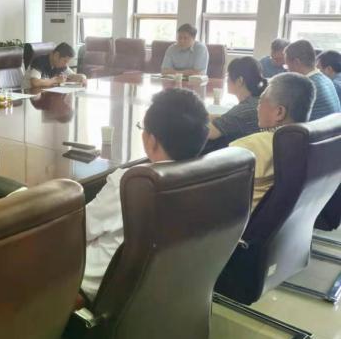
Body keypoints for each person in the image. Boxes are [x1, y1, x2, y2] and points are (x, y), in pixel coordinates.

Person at [81, 88, 209, 301]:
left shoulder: (131, 183)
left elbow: (78, 230)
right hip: (160, 290)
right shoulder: (209, 178)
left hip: (92, 287)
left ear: (152, 141)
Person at [231, 73, 315, 209]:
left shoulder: (246, 147)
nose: (257, 107)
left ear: (279, 112)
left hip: (243, 220)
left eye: (260, 102)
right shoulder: (313, 143)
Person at [208, 57, 267, 143]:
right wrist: (206, 116)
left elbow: (210, 132)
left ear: (240, 81)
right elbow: (229, 119)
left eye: (228, 76)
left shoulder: (242, 111)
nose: (227, 80)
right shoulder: (257, 101)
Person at [285, 39, 340, 120]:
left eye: (287, 65)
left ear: (296, 62)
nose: (287, 70)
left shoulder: (306, 86)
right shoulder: (326, 80)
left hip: (314, 128)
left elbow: (288, 119)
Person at [22, 42, 87, 89]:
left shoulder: (60, 65)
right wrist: (55, 80)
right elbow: (35, 82)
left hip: (44, 94)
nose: (66, 64)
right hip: (28, 95)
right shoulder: (39, 61)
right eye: (65, 61)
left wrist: (82, 77)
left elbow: (72, 76)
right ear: (56, 55)